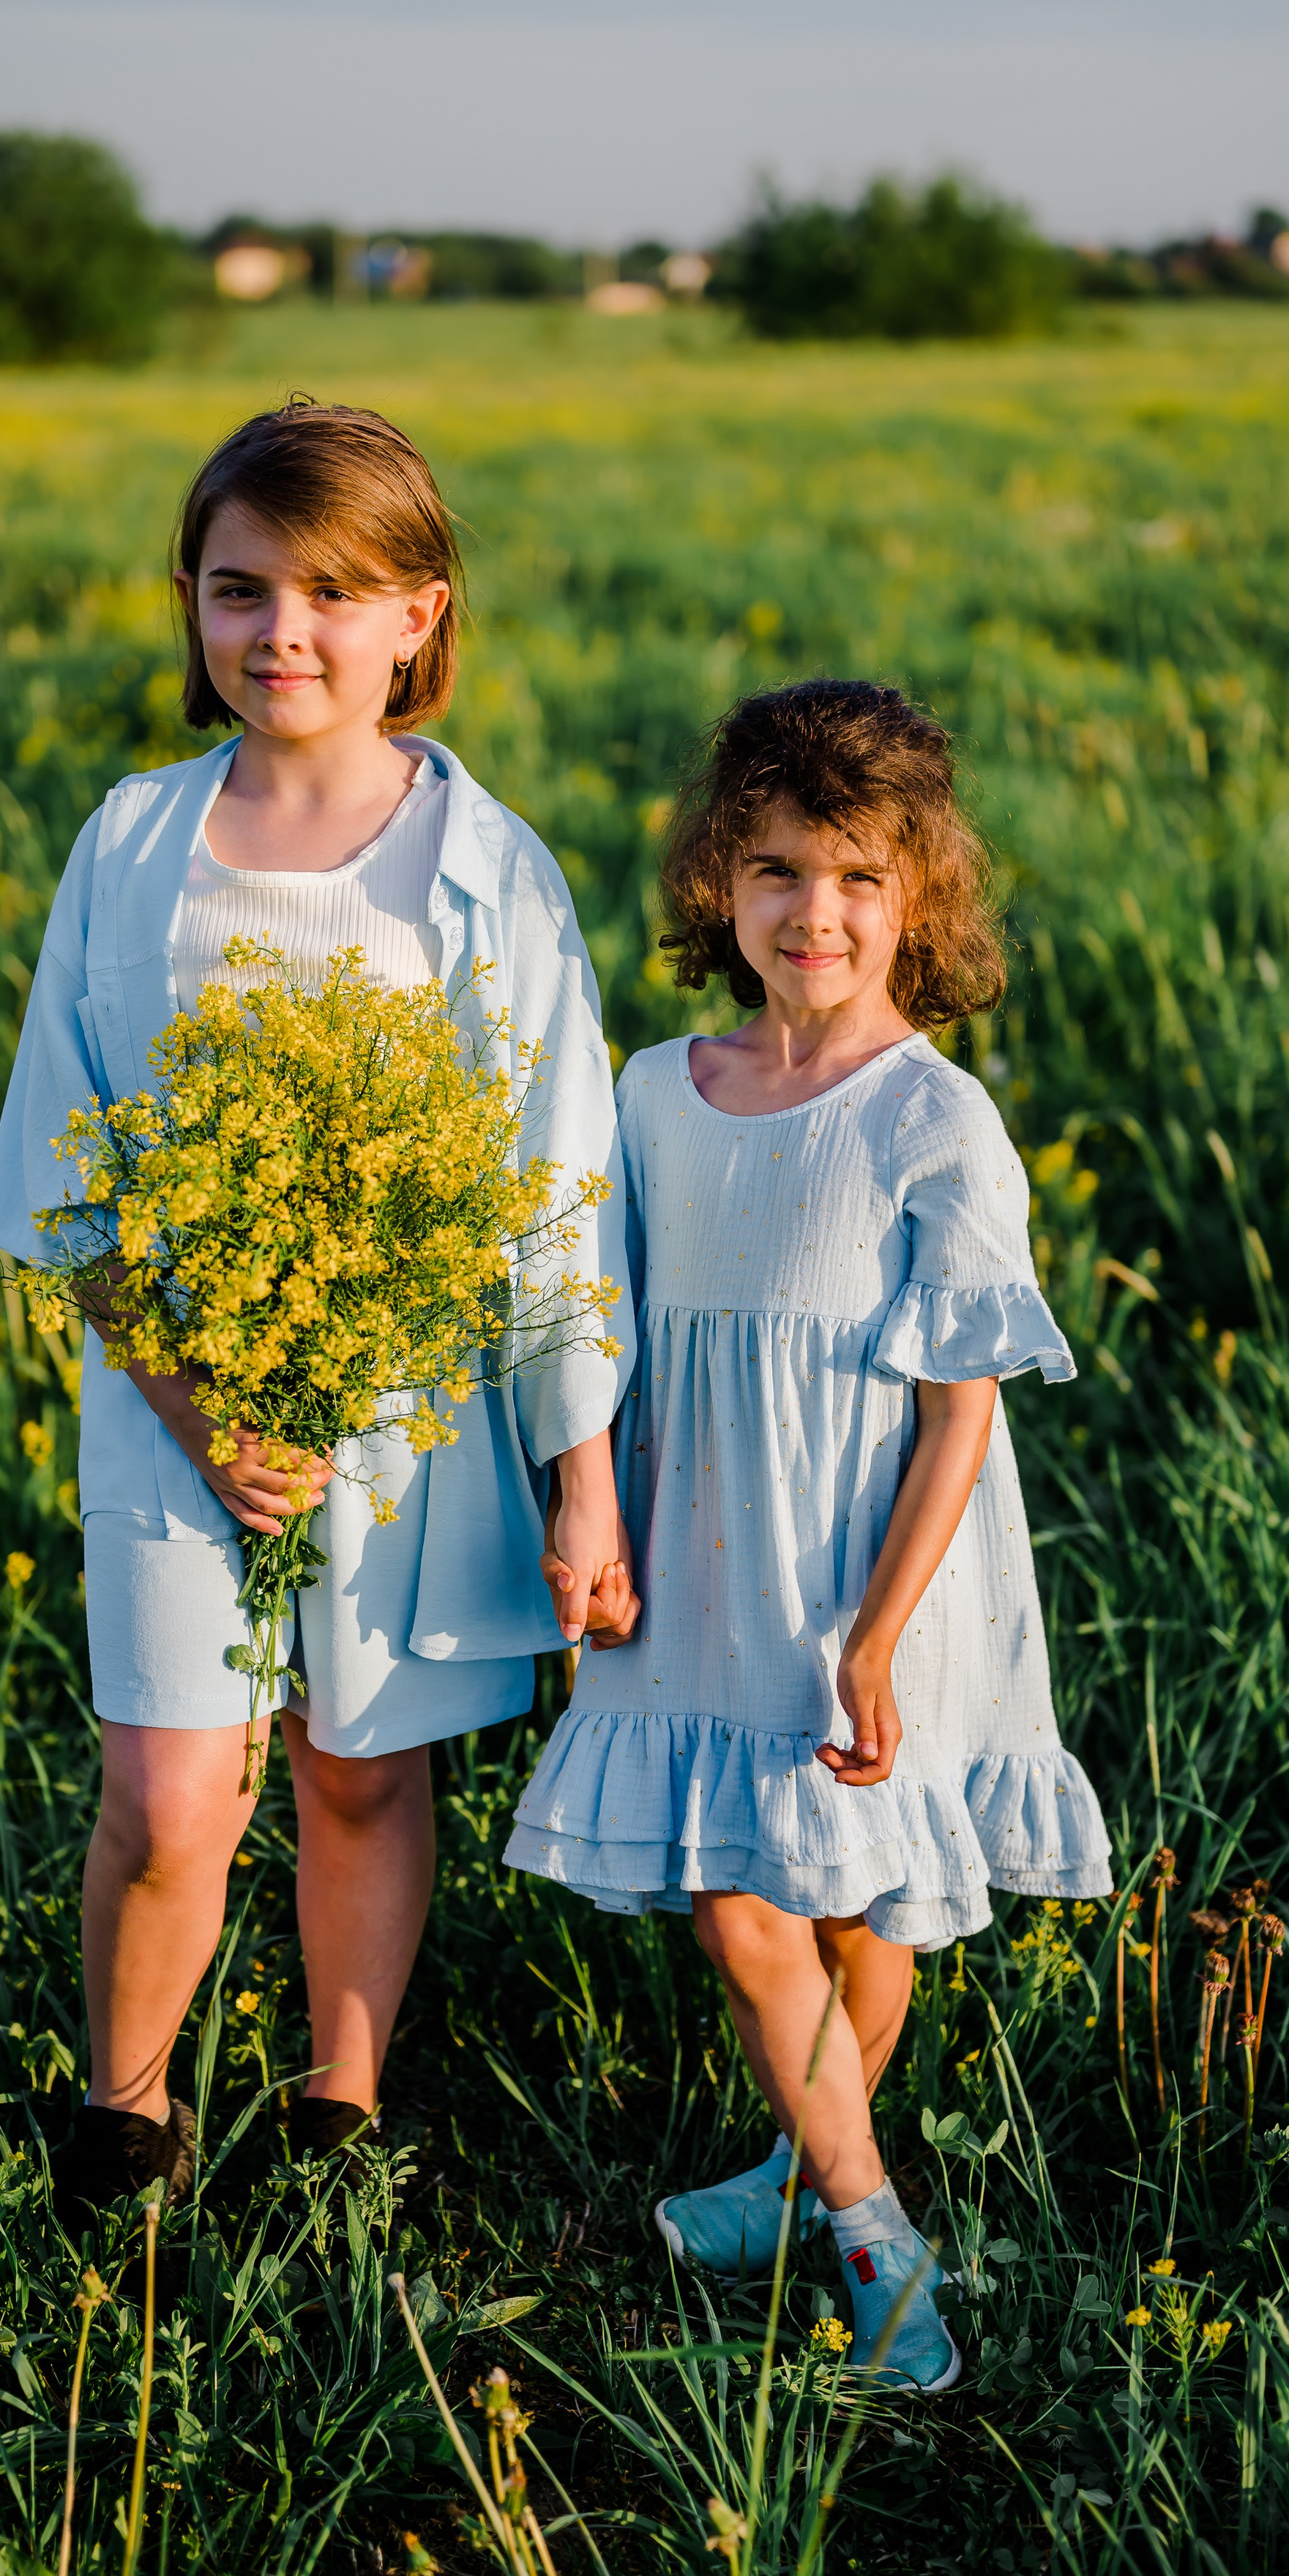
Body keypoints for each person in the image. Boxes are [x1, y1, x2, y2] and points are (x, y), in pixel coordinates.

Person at [0, 400, 637, 2221]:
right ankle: (124, 2122)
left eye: (335, 592)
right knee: (175, 1796)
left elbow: (558, 1187)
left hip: (405, 1398)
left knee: (355, 1772)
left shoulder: (486, 866)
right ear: (190, 603)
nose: (283, 632)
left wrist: (580, 1473)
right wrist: (201, 1408)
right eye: (240, 588)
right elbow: (63, 1166)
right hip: (173, 1392)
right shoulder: (133, 840)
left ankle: (338, 2110)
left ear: (419, 616)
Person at [504, 679, 1110, 2389]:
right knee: (735, 1892)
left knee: (858, 1909)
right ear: (720, 881)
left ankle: (803, 2185)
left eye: (855, 877)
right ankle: (866, 2218)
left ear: (918, 894)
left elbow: (957, 1413)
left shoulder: (929, 1116)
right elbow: (593, 1318)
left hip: (871, 1565)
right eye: (774, 869)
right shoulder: (653, 1091)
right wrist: (585, 1495)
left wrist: (873, 1638)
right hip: (698, 1550)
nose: (812, 913)